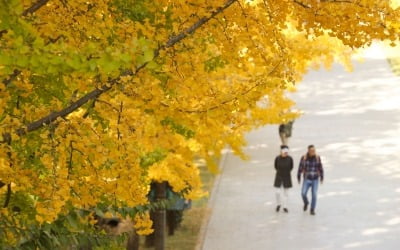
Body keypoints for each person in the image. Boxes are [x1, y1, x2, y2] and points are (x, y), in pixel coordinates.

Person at [297, 145, 324, 215]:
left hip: (315, 179)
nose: (313, 152)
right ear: (308, 151)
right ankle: (306, 202)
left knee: (314, 194)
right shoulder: (304, 158)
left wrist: (322, 177)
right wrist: (298, 176)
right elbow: (300, 167)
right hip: (307, 179)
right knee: (303, 193)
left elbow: (320, 167)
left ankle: (312, 209)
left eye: (314, 150)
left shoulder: (317, 158)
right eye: (311, 151)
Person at [273, 145, 294, 213]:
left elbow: (291, 167)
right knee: (277, 192)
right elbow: (275, 166)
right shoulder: (277, 158)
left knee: (286, 193)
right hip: (279, 176)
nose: (286, 153)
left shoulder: (290, 159)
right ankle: (278, 204)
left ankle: (285, 206)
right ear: (281, 151)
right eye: (284, 152)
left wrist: (286, 172)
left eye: (287, 152)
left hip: (287, 176)